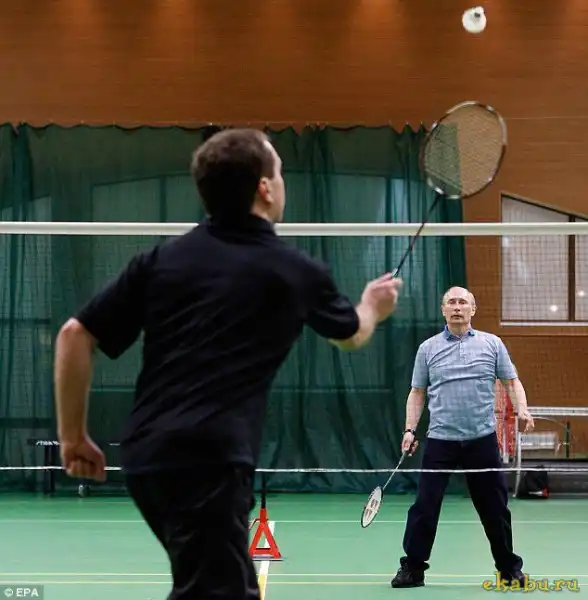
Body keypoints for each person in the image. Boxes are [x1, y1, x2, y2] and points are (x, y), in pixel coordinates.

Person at [53, 128, 404, 600]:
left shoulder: (161, 260)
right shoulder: (292, 270)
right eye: (280, 172)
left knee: (216, 585)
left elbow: (74, 336)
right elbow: (352, 335)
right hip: (208, 460)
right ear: (265, 188)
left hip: (145, 456)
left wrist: (73, 438)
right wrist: (373, 305)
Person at [391, 286, 534, 589]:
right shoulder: (428, 348)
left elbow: (512, 381)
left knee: (495, 508)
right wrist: (409, 430)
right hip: (440, 441)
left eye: (463, 302)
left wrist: (522, 409)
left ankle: (508, 569)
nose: (457, 307)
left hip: (481, 440)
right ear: (443, 310)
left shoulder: (492, 344)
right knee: (425, 506)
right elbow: (417, 392)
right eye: (452, 302)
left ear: (473, 309)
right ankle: (413, 569)